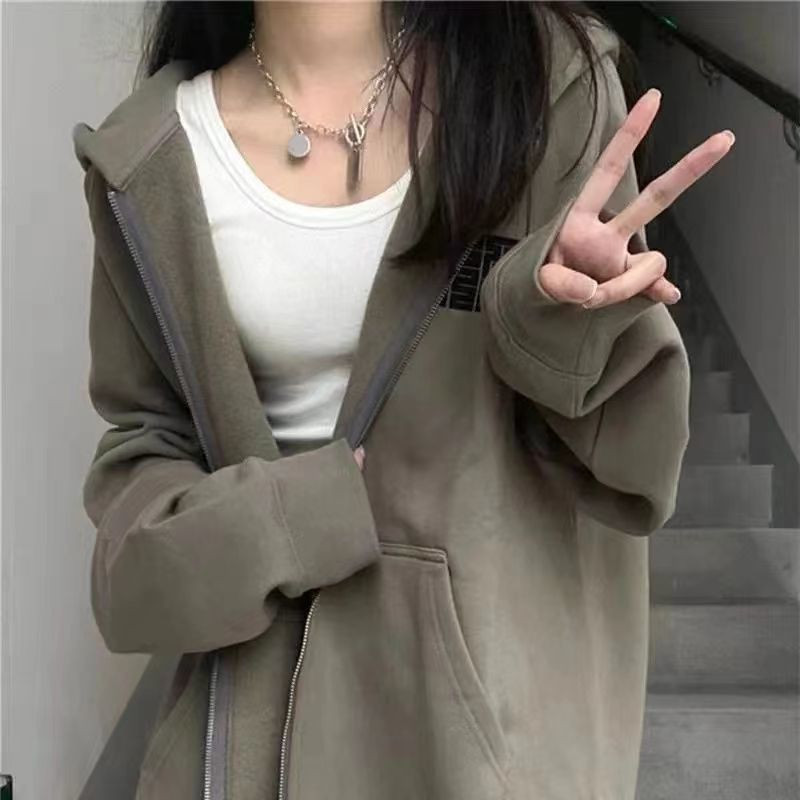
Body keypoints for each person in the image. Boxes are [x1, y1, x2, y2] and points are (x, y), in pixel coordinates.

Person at [71, 2, 733, 799]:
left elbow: (639, 472)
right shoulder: (150, 156)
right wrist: (289, 520)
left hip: (483, 747)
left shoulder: (539, 86)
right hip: (248, 747)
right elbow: (137, 499)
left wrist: (550, 327)